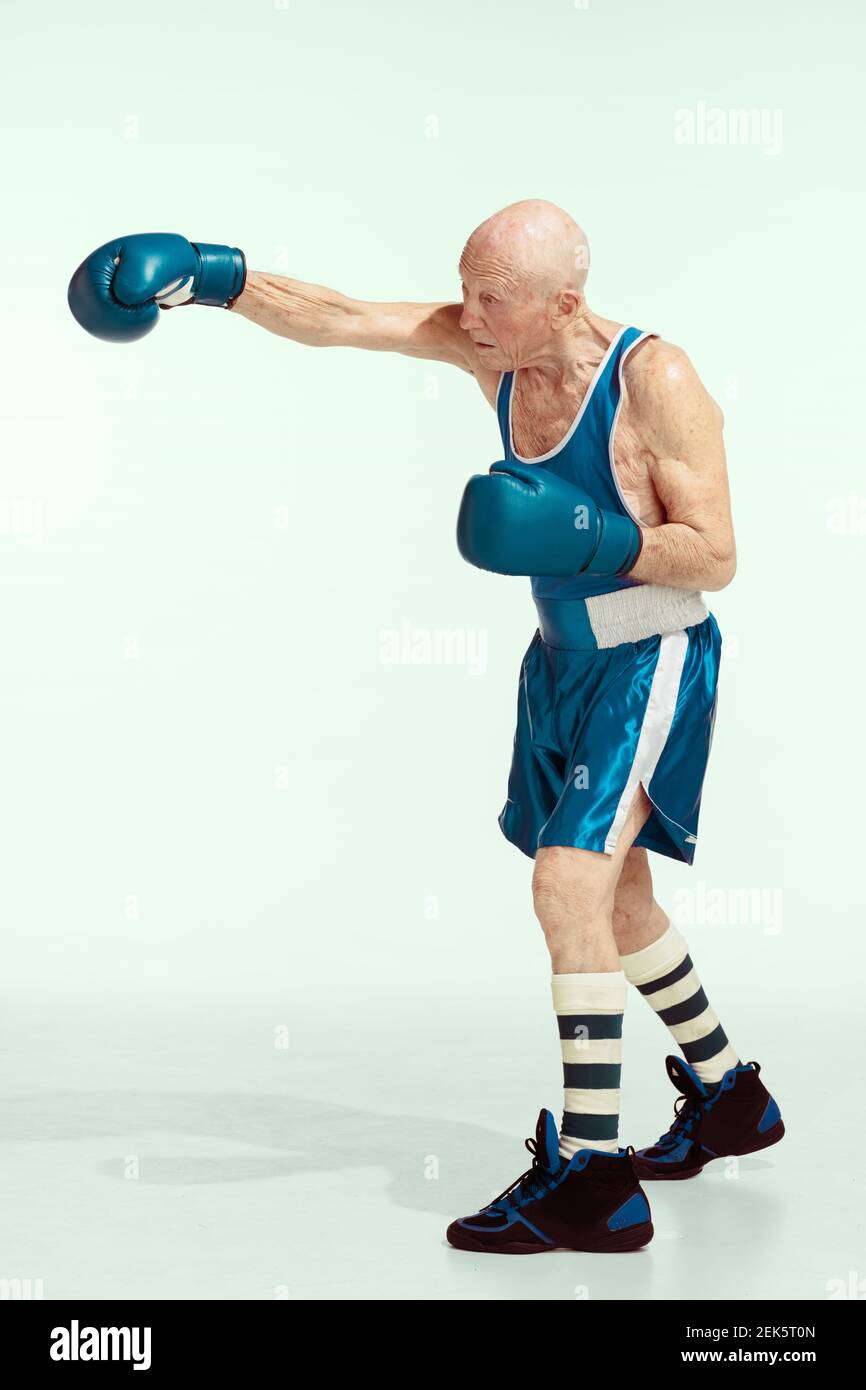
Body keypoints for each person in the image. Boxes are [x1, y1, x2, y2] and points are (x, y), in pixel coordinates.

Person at [68, 200, 784, 1255]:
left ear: (564, 304)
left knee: (564, 881)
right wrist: (215, 280)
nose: (471, 313)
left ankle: (592, 1177)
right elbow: (345, 317)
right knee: (614, 893)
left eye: (495, 297)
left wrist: (587, 530)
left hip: (650, 654)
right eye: (467, 286)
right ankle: (728, 1097)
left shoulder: (652, 380)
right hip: (560, 660)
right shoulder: (490, 345)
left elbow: (715, 554)